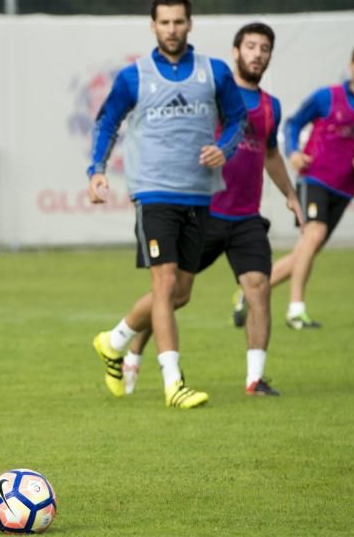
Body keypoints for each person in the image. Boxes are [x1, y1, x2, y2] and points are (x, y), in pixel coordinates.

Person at [120, 23, 304, 398]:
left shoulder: (271, 107)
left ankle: (255, 380)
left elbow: (270, 154)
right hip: (203, 212)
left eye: (264, 48)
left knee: (258, 288)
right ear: (235, 52)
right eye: (250, 46)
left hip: (246, 218)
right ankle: (131, 347)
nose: (256, 54)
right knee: (173, 294)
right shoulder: (211, 95)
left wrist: (290, 193)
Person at [87, 0, 246, 409]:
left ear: (190, 23)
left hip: (198, 194)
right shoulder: (134, 76)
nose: (172, 29)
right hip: (153, 193)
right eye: (165, 22)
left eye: (179, 21)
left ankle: (113, 340)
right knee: (163, 284)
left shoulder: (214, 72)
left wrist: (225, 149)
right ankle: (174, 382)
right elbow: (107, 122)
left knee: (179, 294)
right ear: (153, 26)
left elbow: (237, 120)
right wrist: (96, 171)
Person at [267, 41, 354, 329]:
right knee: (314, 235)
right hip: (314, 177)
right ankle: (296, 309)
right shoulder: (327, 97)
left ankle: (251, 291)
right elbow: (293, 123)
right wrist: (294, 153)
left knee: (306, 250)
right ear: (351, 67)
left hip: (346, 188)